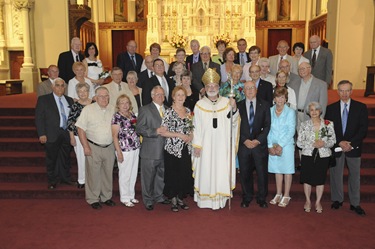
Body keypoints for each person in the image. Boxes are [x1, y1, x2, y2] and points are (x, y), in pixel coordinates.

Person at [192, 68, 239, 210]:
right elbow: (196, 126)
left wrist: (235, 109)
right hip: (205, 146)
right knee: (205, 169)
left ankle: (220, 199)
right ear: (205, 88)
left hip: (222, 145)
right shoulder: (199, 105)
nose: (212, 88)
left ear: (219, 87)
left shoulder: (226, 102)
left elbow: (234, 122)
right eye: (209, 86)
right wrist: (197, 145)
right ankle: (205, 200)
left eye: (214, 86)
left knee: (220, 169)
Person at [325, 80, 368, 216]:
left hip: (353, 147)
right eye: (341, 90)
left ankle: (355, 203)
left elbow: (363, 129)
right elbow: (328, 129)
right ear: (337, 91)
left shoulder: (360, 107)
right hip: (337, 147)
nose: (344, 93)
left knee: (354, 176)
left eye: (347, 90)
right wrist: (339, 142)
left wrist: (350, 143)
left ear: (351, 91)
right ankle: (337, 199)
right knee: (336, 174)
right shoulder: (330, 108)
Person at [76, 87, 116, 210]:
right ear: (96, 97)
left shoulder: (113, 109)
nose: (104, 98)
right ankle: (93, 198)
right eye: (101, 96)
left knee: (108, 173)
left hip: (109, 147)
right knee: (93, 174)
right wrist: (85, 146)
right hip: (93, 146)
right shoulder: (88, 110)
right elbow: (80, 129)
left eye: (106, 96)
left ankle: (106, 197)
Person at [136, 86, 171, 211]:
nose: (161, 97)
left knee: (161, 175)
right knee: (148, 178)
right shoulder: (145, 109)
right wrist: (155, 131)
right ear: (152, 96)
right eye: (158, 94)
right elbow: (139, 128)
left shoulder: (168, 109)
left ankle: (159, 196)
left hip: (165, 150)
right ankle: (148, 199)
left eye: (162, 94)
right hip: (150, 150)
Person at [35, 78, 74, 189]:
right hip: (51, 134)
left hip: (66, 134)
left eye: (62, 85)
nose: (60, 88)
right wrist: (41, 133)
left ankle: (65, 178)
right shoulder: (43, 99)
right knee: (51, 158)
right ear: (52, 87)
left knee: (65, 157)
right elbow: (39, 118)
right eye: (57, 85)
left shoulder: (69, 100)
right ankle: (52, 180)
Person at [297, 101, 336, 213]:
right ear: (309, 112)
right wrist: (312, 144)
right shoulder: (304, 125)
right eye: (312, 110)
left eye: (316, 109)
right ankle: (308, 201)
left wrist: (323, 144)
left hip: (323, 155)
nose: (314, 112)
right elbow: (299, 143)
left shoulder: (328, 124)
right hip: (308, 154)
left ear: (320, 111)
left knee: (320, 179)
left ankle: (318, 202)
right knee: (307, 179)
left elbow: (333, 141)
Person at [160, 86, 194, 212]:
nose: (180, 97)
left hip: (185, 148)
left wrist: (191, 135)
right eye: (178, 95)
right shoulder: (169, 112)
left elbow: (192, 127)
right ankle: (173, 199)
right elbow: (163, 132)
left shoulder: (188, 111)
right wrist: (179, 135)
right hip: (172, 149)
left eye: (182, 95)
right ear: (173, 97)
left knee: (184, 173)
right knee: (173, 174)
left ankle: (180, 198)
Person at [238, 80, 271, 208]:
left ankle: (262, 198)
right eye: (247, 88)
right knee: (245, 173)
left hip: (259, 145)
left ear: (256, 90)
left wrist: (258, 140)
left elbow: (267, 125)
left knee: (262, 173)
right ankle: (247, 197)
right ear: (244, 91)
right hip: (244, 145)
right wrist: (244, 140)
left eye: (252, 88)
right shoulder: (238, 106)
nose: (250, 90)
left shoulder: (265, 105)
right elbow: (235, 126)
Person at [267, 87, 296, 207]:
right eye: (278, 97)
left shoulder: (290, 112)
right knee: (277, 170)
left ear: (286, 99)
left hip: (286, 145)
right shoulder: (269, 111)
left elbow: (291, 131)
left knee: (287, 171)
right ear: (274, 98)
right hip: (273, 145)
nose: (280, 99)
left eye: (282, 97)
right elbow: (267, 129)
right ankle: (278, 193)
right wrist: (270, 146)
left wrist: (280, 145)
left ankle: (286, 194)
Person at [112, 94, 141, 207]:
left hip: (135, 148)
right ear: (118, 105)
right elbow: (114, 136)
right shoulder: (116, 117)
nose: (125, 105)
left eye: (127, 102)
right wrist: (118, 151)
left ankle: (131, 195)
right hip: (124, 149)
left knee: (133, 173)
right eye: (122, 103)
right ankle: (124, 197)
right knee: (125, 174)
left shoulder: (132, 114)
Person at [67, 82, 94, 189]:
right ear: (77, 93)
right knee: (81, 158)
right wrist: (71, 137)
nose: (82, 93)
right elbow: (70, 122)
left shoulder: (94, 104)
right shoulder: (75, 106)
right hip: (78, 136)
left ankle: (92, 179)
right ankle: (81, 180)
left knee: (92, 158)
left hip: (93, 136)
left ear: (88, 92)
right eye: (80, 91)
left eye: (84, 91)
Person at [288, 62, 328, 131]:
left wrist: (319, 121)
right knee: (299, 139)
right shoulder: (293, 83)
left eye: (303, 69)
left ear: (310, 69)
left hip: (311, 117)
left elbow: (323, 104)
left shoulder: (321, 84)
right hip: (296, 117)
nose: (301, 71)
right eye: (299, 69)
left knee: (311, 140)